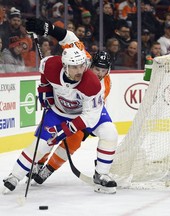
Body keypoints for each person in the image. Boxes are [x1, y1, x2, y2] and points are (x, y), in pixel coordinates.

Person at [3, 19, 118, 194]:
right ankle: (18, 174)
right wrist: (48, 28)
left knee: (106, 133)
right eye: (96, 68)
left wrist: (67, 129)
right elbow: (68, 38)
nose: (99, 73)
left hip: (85, 114)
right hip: (60, 110)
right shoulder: (71, 59)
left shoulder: (96, 85)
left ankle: (101, 174)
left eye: (104, 70)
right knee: (42, 144)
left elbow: (90, 116)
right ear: (89, 62)